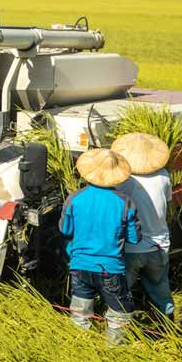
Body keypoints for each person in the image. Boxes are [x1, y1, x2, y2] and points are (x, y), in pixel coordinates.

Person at [60, 148, 141, 345]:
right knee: (120, 312)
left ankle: (79, 348)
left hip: (79, 265)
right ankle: (113, 351)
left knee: (80, 310)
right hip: (109, 267)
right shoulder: (125, 202)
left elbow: (65, 229)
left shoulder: (74, 197)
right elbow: (134, 238)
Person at [111, 133, 175, 319]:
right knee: (160, 287)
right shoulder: (164, 176)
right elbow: (167, 202)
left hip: (133, 247)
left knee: (122, 292)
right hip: (159, 245)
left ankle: (120, 329)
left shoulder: (125, 181)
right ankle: (168, 325)